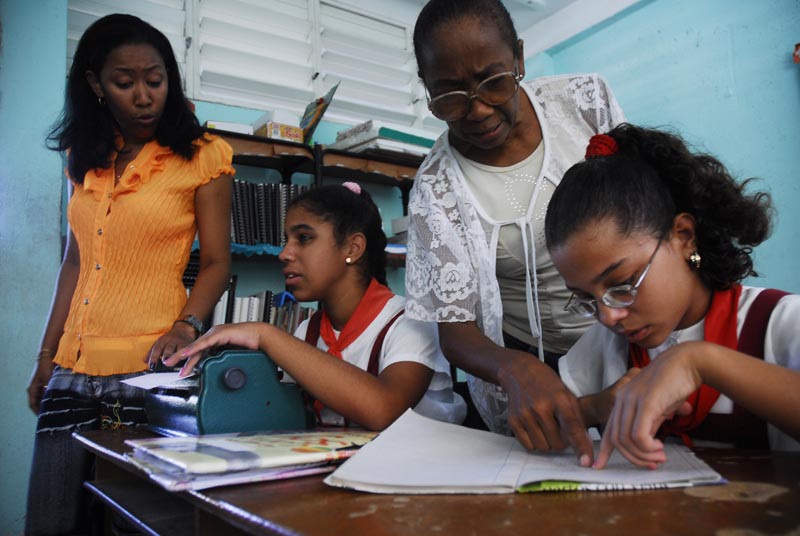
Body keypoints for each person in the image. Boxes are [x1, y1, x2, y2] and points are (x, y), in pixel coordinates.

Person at [25, 14, 234, 535]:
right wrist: (46, 355)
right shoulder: (82, 155)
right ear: (96, 84)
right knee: (52, 520)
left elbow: (216, 262)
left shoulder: (204, 156)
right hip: (72, 365)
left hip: (149, 367)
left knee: (134, 524)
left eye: (155, 80)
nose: (144, 97)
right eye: (124, 82)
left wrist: (186, 326)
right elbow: (75, 261)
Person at [405, 0, 624, 464]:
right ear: (427, 89)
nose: (478, 110)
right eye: (450, 97)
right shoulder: (436, 186)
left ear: (519, 58)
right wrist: (514, 368)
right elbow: (456, 332)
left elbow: (643, 209)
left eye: (493, 82)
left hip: (627, 332)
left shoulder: (582, 103)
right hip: (533, 366)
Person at [545, 123, 800, 470]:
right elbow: (541, 431)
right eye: (586, 299)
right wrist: (594, 407)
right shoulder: (605, 348)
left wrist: (699, 362)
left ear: (683, 236)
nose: (608, 317)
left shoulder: (778, 323)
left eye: (623, 285)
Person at [165, 183, 466, 430]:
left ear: (353, 248)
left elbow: (384, 410)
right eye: (286, 240)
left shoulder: (409, 322)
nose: (284, 253)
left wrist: (264, 334)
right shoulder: (307, 331)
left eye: (304, 238)